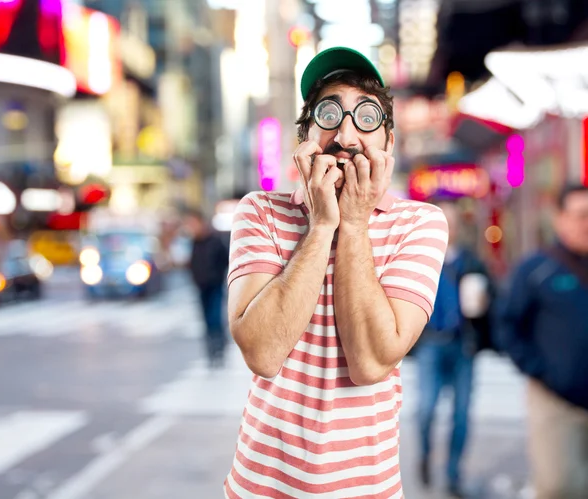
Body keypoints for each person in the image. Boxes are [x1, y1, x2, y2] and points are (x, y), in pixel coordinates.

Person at [224, 46, 449, 498]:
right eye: (329, 115)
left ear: (387, 142)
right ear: (304, 137)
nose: (345, 135)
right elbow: (263, 354)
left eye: (365, 118)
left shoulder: (421, 223)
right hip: (258, 486)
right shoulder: (260, 212)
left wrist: (355, 223)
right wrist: (323, 225)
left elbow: (370, 361)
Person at [499, 184, 588, 499]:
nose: (585, 224)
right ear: (560, 219)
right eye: (580, 216)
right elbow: (507, 325)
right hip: (555, 401)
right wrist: (540, 370)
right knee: (560, 486)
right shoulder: (536, 269)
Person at [415, 201, 495, 498]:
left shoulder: (472, 262)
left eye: (450, 222)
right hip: (430, 344)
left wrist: (485, 305)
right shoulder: (419, 260)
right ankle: (424, 455)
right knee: (425, 410)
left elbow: (491, 301)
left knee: (461, 415)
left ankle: (452, 474)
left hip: (463, 344)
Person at [184, 208, 229, 368]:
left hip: (215, 284)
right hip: (201, 286)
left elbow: (225, 260)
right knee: (206, 319)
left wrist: (217, 275)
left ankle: (219, 347)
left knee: (215, 317)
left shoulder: (215, 239)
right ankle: (211, 350)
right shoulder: (194, 242)